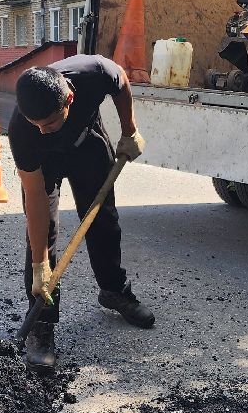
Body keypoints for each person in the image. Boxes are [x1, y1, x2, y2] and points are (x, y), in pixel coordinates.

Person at [9, 56, 154, 368]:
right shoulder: (22, 129)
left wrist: (129, 131)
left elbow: (121, 81)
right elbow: (35, 196)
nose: (42, 131)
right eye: (36, 124)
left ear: (69, 100)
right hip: (44, 164)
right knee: (42, 238)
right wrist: (39, 267)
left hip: (87, 143)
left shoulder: (94, 73)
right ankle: (42, 323)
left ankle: (114, 290)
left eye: (49, 123)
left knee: (104, 221)